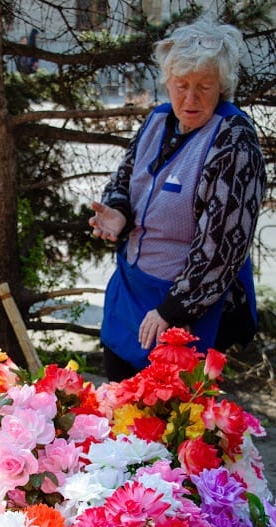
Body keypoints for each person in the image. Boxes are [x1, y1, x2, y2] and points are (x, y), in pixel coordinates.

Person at [89, 17, 266, 382]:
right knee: (117, 414)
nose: (190, 98)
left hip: (185, 307)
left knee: (170, 426)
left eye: (205, 86)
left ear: (223, 86)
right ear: (167, 82)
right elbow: (123, 180)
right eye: (181, 85)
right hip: (130, 289)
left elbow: (223, 248)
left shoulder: (233, 141)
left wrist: (172, 311)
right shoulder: (157, 120)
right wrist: (120, 213)